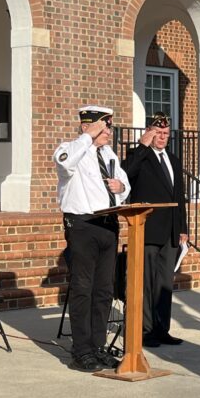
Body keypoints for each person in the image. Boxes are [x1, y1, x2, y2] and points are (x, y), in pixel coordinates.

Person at [54, 106, 130, 372]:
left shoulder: (108, 154)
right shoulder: (71, 149)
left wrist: (122, 188)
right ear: (88, 127)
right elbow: (64, 162)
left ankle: (98, 347)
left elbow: (123, 183)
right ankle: (81, 350)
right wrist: (87, 137)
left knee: (103, 291)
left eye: (108, 127)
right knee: (83, 288)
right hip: (83, 226)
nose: (109, 132)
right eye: (104, 127)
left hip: (109, 224)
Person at [121, 112, 188, 348]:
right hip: (147, 230)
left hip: (170, 231)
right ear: (149, 132)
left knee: (164, 284)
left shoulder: (173, 160)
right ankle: (145, 330)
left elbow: (179, 196)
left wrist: (182, 227)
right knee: (146, 283)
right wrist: (142, 146)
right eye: (157, 133)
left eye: (165, 134)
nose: (162, 137)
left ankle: (162, 329)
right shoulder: (140, 156)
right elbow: (125, 173)